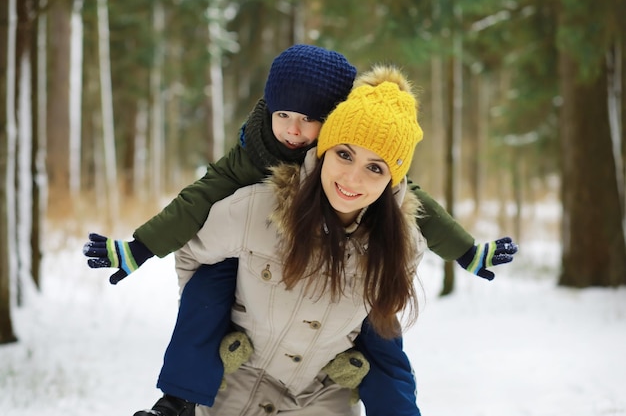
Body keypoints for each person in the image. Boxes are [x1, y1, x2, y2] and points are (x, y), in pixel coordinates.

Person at [83, 45, 518, 416]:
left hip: (323, 386)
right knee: (207, 288)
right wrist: (140, 249)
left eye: (374, 167)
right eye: (344, 154)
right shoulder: (254, 168)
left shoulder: (393, 222)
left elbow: (423, 211)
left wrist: (467, 252)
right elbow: (197, 202)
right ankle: (176, 398)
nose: (293, 130)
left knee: (382, 335)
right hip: (239, 317)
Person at [174, 64, 426, 415]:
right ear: (323, 151)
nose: (352, 178)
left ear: (393, 180)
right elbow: (192, 255)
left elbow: (378, 327)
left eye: (375, 167)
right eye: (344, 154)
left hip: (323, 398)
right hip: (236, 391)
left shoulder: (404, 246)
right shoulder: (256, 208)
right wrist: (211, 328)